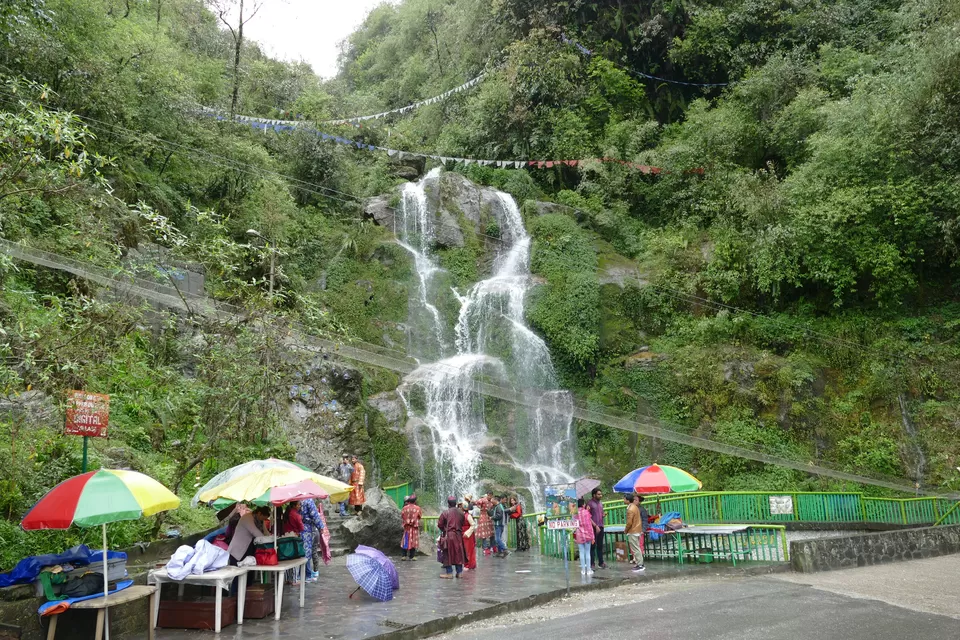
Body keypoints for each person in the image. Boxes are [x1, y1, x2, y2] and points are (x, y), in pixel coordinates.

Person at [437, 496, 466, 578]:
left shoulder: (445, 513)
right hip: (458, 535)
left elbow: (440, 524)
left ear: (448, 504)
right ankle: (459, 572)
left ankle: (449, 573)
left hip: (449, 536)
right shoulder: (461, 513)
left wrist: (445, 530)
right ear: (456, 503)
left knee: (447, 553)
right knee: (458, 553)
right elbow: (462, 523)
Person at [299, 498, 325, 582]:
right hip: (307, 528)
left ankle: (301, 574)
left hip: (299, 527)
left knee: (302, 552)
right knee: (307, 552)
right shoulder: (308, 500)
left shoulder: (297, 498)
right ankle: (307, 575)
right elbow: (314, 515)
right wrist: (320, 526)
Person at [625, 493, 648, 572]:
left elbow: (629, 523)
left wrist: (626, 530)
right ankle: (640, 563)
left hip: (633, 530)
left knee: (635, 548)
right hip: (637, 530)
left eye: (624, 499)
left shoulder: (631, 509)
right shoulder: (635, 507)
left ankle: (640, 565)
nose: (623, 500)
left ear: (628, 500)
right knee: (637, 548)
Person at [587, 487, 607, 570]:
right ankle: (591, 563)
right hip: (593, 527)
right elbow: (588, 516)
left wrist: (603, 515)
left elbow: (600, 513)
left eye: (601, 494)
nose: (600, 495)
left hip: (601, 526)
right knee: (592, 546)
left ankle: (601, 562)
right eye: (598, 494)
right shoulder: (590, 504)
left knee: (600, 545)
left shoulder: (600, 503)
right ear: (594, 495)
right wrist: (595, 526)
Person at [575, 497, 595, 576]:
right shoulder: (587, 512)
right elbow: (590, 526)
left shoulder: (575, 514)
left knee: (581, 552)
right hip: (587, 535)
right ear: (583, 504)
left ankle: (583, 570)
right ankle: (589, 570)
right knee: (587, 552)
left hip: (579, 535)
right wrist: (592, 537)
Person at [400, 494, 423, 561]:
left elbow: (402, 515)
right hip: (414, 527)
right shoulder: (417, 508)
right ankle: (411, 556)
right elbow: (419, 516)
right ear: (415, 501)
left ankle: (403, 555)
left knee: (406, 540)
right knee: (413, 541)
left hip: (407, 527)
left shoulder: (405, 508)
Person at [475, 492, 495, 556]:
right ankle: (485, 548)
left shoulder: (492, 501)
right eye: (489, 495)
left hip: (489, 516)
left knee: (491, 532)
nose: (490, 497)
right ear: (487, 495)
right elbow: (476, 502)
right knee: (484, 533)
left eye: (491, 496)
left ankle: (492, 547)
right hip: (483, 516)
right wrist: (480, 508)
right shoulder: (483, 499)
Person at [461, 500, 477, 570]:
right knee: (465, 549)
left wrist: (467, 533)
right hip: (464, 533)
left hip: (468, 535)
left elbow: (473, 525)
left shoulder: (468, 516)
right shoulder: (464, 515)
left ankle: (469, 564)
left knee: (468, 549)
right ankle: (467, 564)